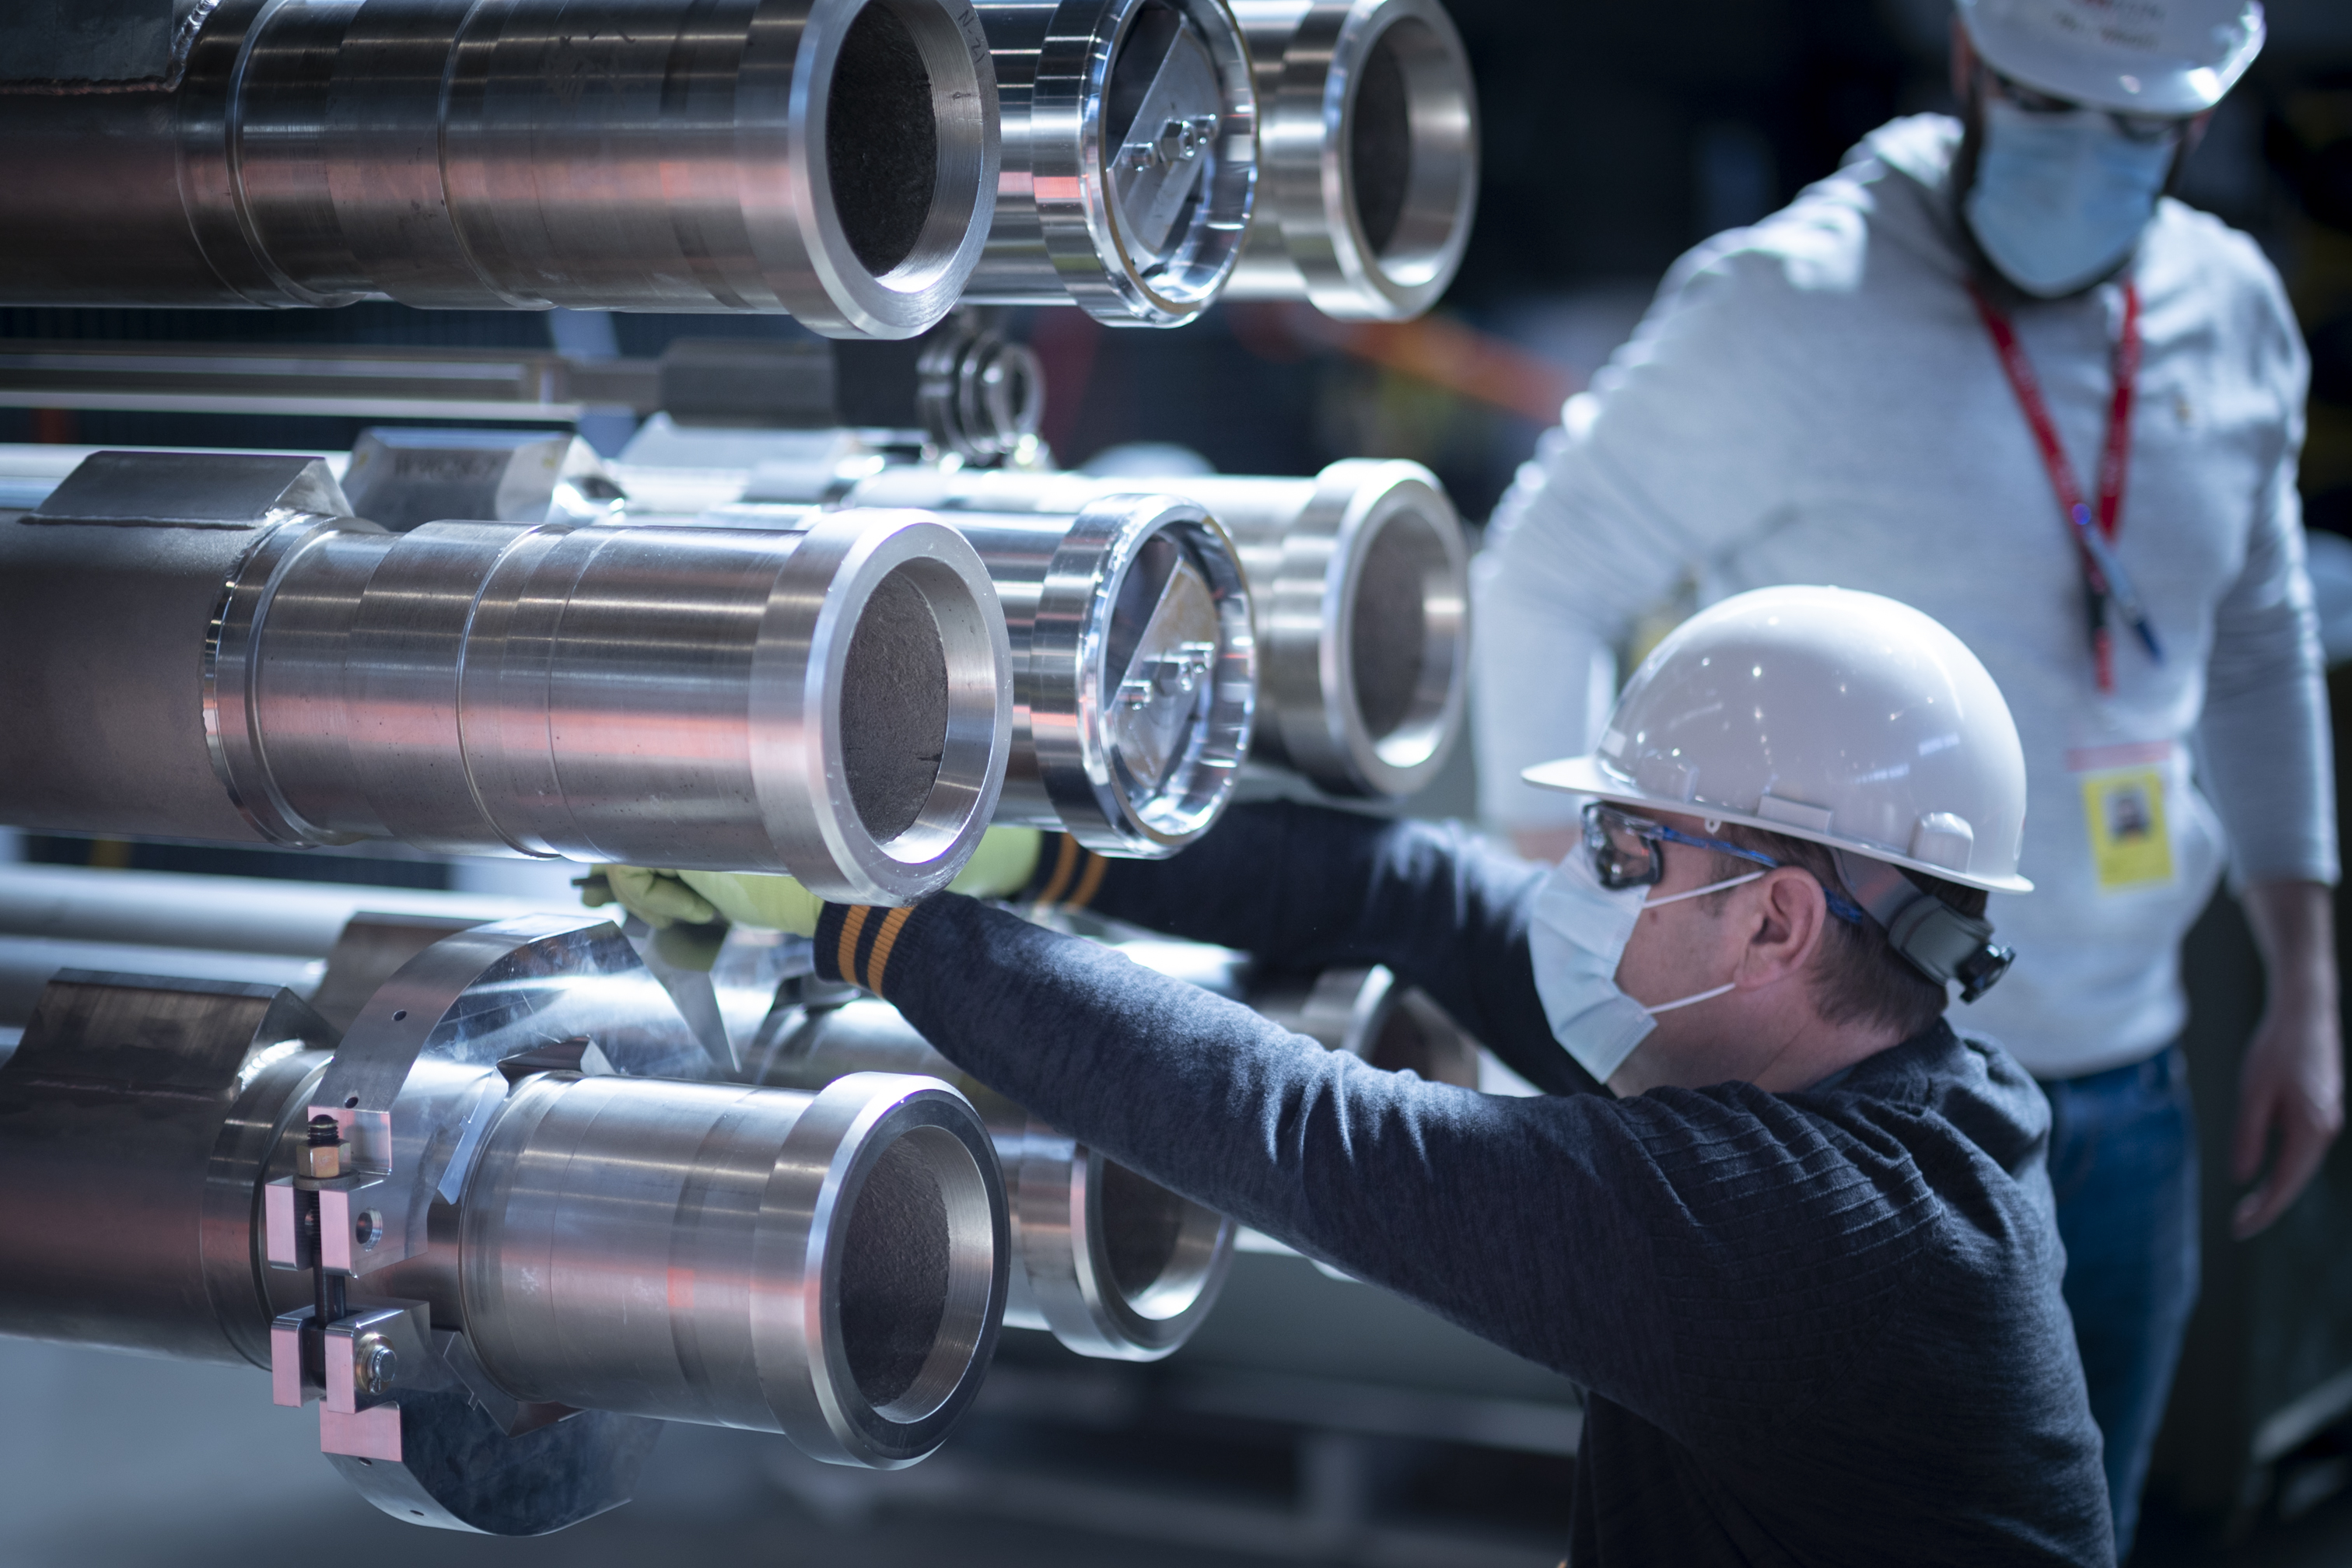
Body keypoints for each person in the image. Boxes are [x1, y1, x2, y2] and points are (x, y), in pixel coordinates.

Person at [1471, 1, 2341, 1549]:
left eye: (2138, 130)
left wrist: (2306, 982)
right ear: (1966, 68)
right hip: (1830, 1128)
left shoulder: (2235, 315)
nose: (2087, 156)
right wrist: (1582, 947)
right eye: (2047, 104)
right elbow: (1544, 574)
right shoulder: (1794, 306)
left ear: (2200, 128)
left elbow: (2261, 644)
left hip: (2126, 1099)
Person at [779, 587, 2115, 1564]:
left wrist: (876, 917)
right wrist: (1048, 849)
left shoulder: (1810, 1236)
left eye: (1627, 857)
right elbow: (1412, 891)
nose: (1581, 894)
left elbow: (1304, 1132)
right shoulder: (1902, 1079)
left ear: (1776, 923)